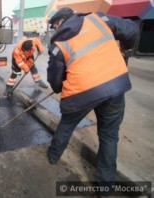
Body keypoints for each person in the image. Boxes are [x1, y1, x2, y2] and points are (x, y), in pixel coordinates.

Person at [46, 7, 139, 193]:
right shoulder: (99, 19)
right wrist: (126, 50)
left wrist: (60, 86)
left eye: (55, 25)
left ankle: (53, 156)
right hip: (115, 86)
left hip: (82, 93)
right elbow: (132, 29)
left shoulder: (57, 44)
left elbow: (55, 81)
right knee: (109, 136)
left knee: (66, 125)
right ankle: (104, 187)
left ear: (61, 21)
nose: (55, 29)